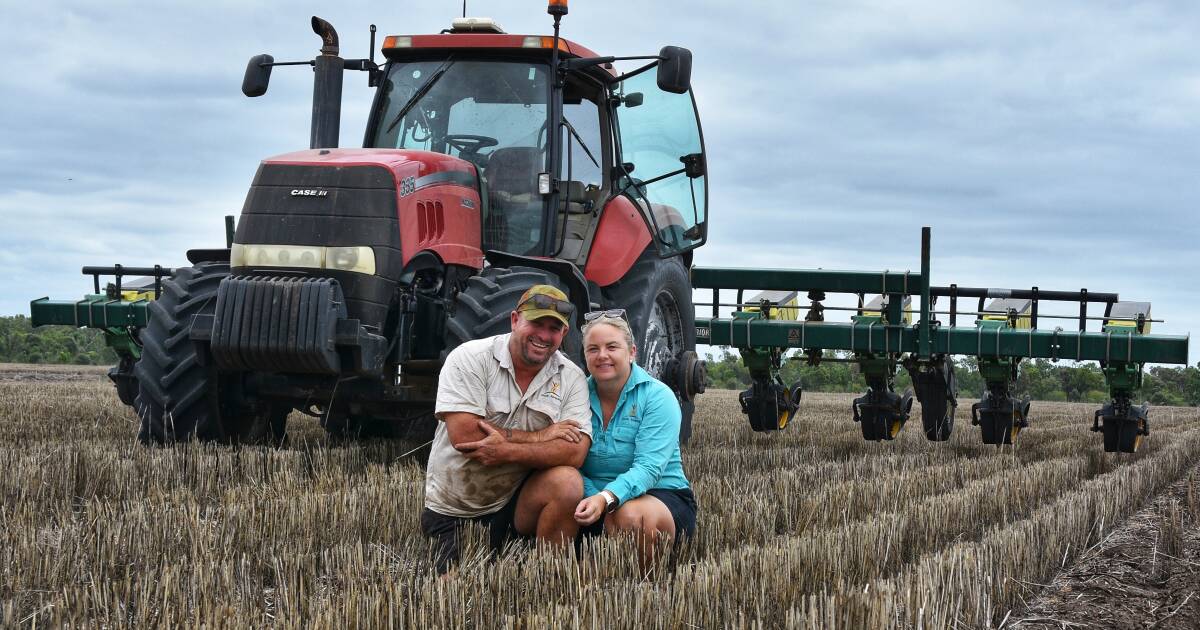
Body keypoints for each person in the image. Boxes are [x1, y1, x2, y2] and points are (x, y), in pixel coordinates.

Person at [422, 285, 592, 574]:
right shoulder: (470, 358)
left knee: (568, 482)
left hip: (513, 504)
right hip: (455, 508)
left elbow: (575, 451)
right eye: (536, 323)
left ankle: (548, 576)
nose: (543, 335)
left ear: (563, 335)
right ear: (515, 320)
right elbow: (466, 437)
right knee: (452, 593)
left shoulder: (572, 377)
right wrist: (540, 437)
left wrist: (506, 450)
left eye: (554, 328)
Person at [572, 311, 696, 571]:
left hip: (658, 494)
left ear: (632, 352)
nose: (602, 355)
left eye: (612, 347)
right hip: (593, 497)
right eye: (593, 349)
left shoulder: (657, 396)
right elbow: (568, 461)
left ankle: (644, 592)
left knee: (632, 516)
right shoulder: (575, 395)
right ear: (585, 356)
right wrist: (595, 498)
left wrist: (607, 500)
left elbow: (649, 468)